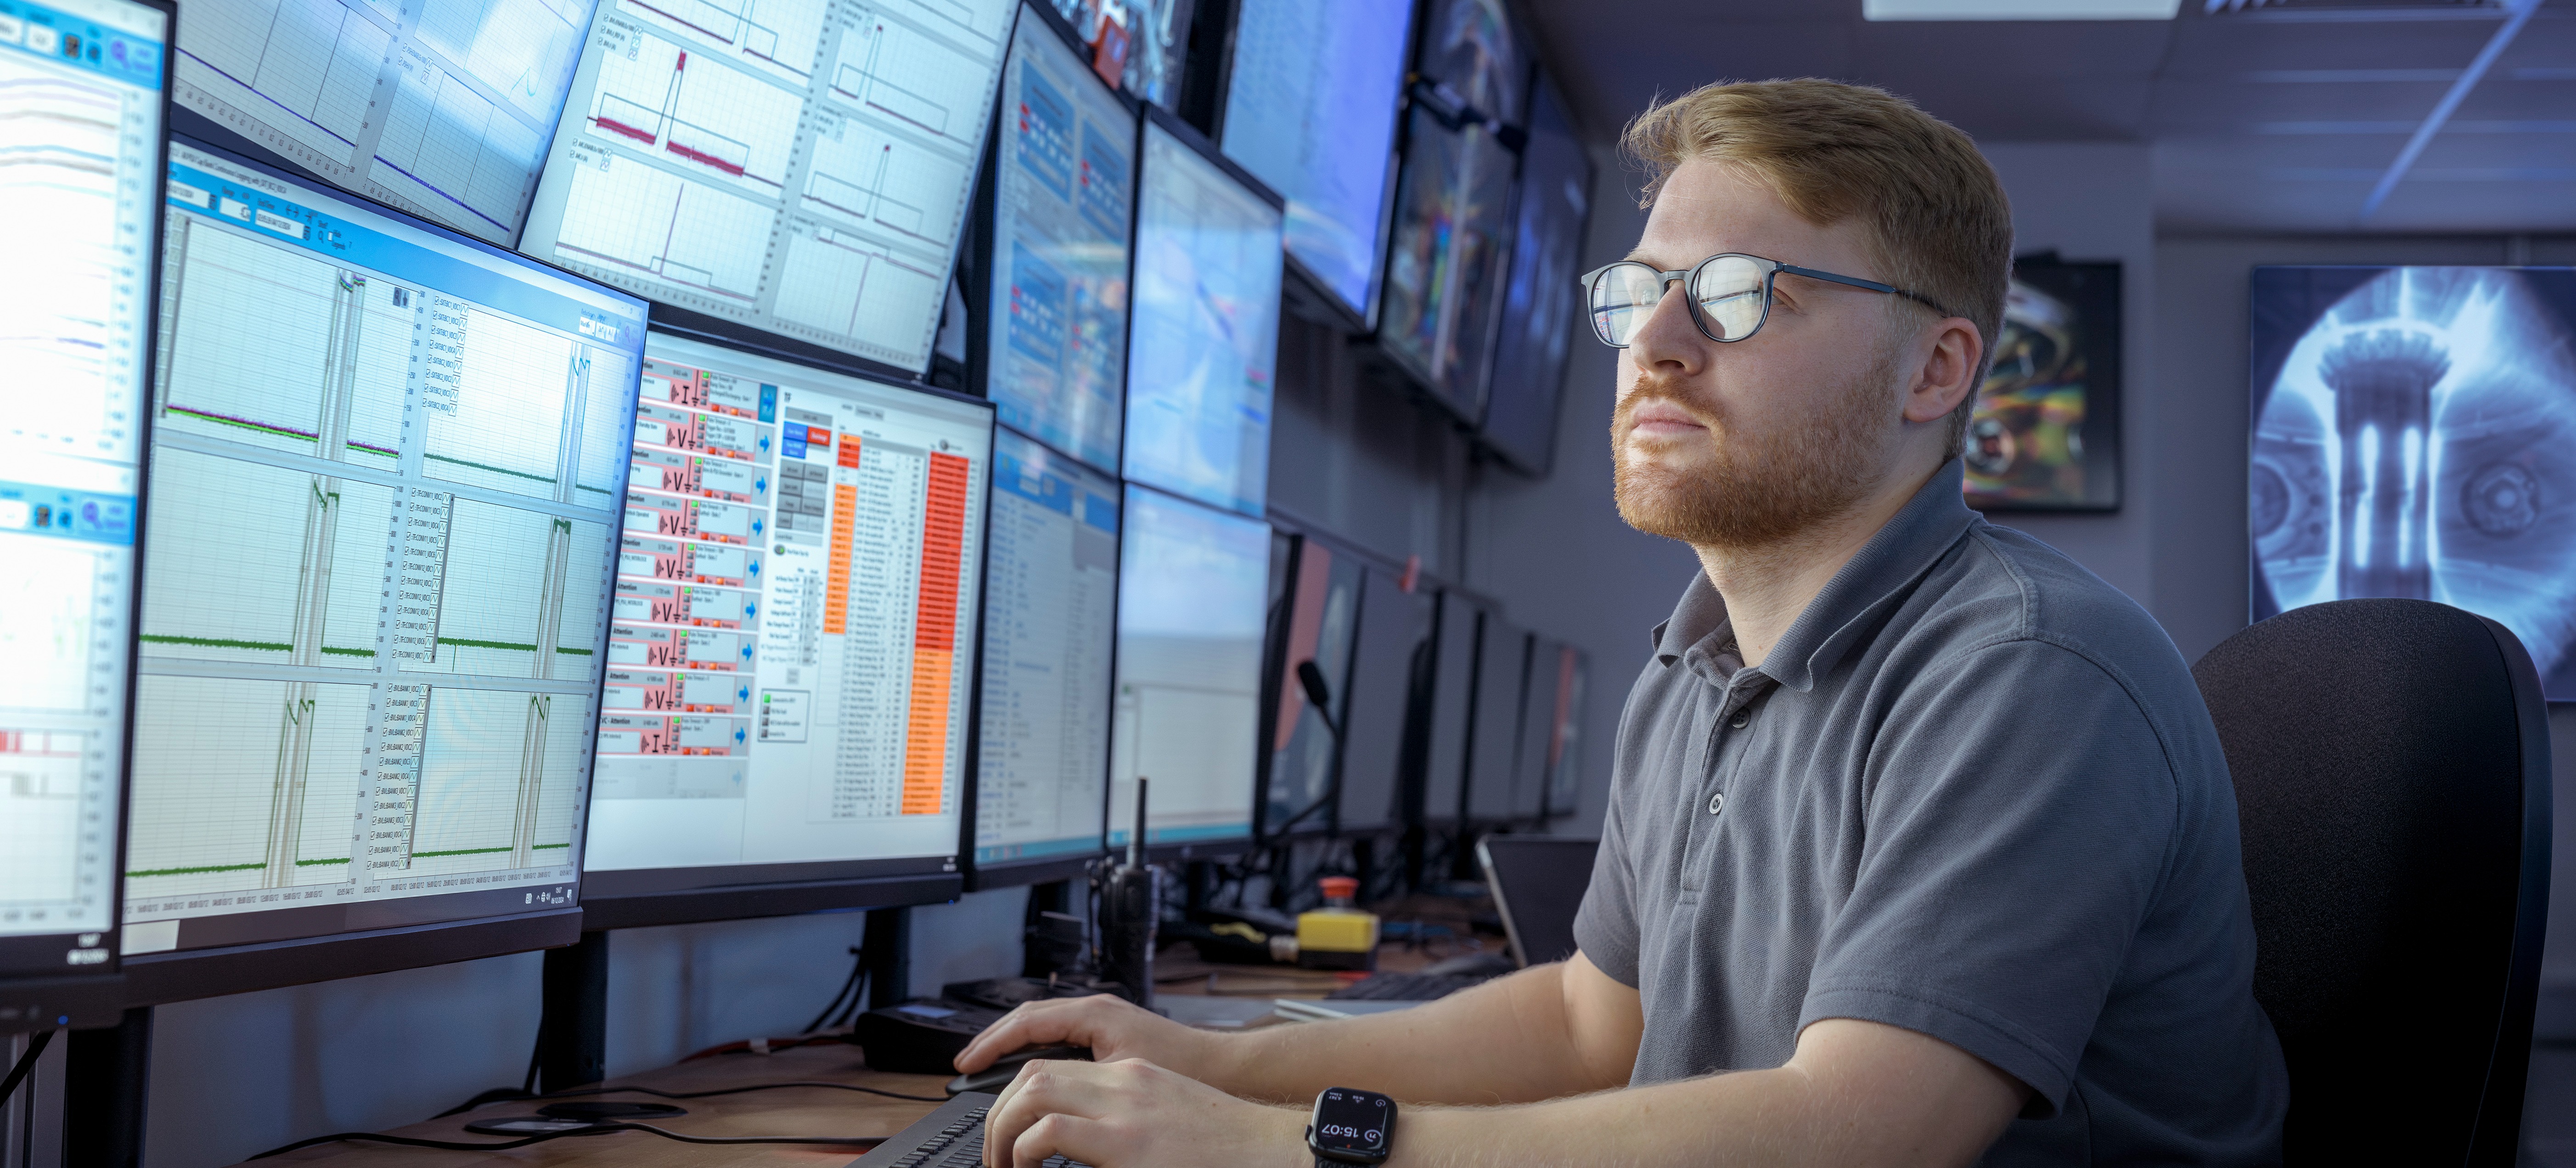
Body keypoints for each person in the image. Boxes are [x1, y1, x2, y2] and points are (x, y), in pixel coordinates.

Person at [953, 78, 2288, 1168]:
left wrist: (1282, 1144)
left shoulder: (2024, 671)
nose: (1652, 340)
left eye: (1733, 293)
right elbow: (1596, 1020)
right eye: (1639, 290)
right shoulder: (1703, 654)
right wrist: (1212, 1061)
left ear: (1933, 370)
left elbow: (1863, 1131)